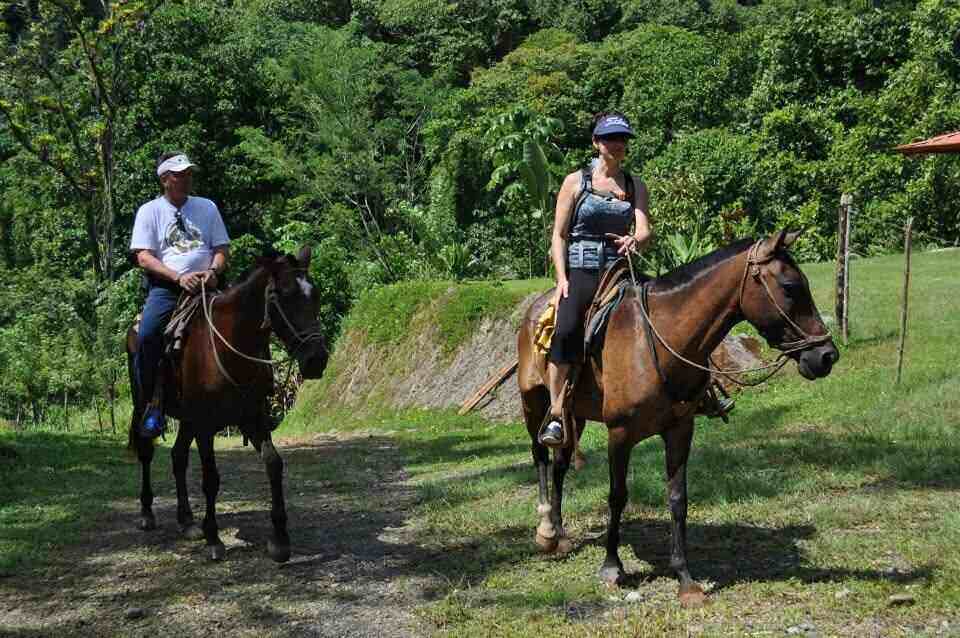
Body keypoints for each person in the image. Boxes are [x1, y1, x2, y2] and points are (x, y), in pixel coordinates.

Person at [541, 112, 652, 445]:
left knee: (669, 309)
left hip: (620, 270)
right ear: (596, 143)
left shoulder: (635, 185)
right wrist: (562, 279)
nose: (617, 144)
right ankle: (557, 414)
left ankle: (700, 390)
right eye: (610, 138)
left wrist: (636, 239)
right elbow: (559, 236)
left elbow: (644, 229)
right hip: (583, 268)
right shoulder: (576, 182)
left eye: (622, 139)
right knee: (566, 328)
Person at [129, 152, 230, 437]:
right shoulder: (149, 211)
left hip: (207, 285)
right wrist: (178, 277)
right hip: (168, 289)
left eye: (188, 174)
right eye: (179, 175)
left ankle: (254, 395)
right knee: (147, 335)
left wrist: (213, 271)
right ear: (165, 179)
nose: (186, 179)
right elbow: (144, 257)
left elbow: (222, 249)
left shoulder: (207, 207)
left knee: (249, 318)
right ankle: (151, 405)